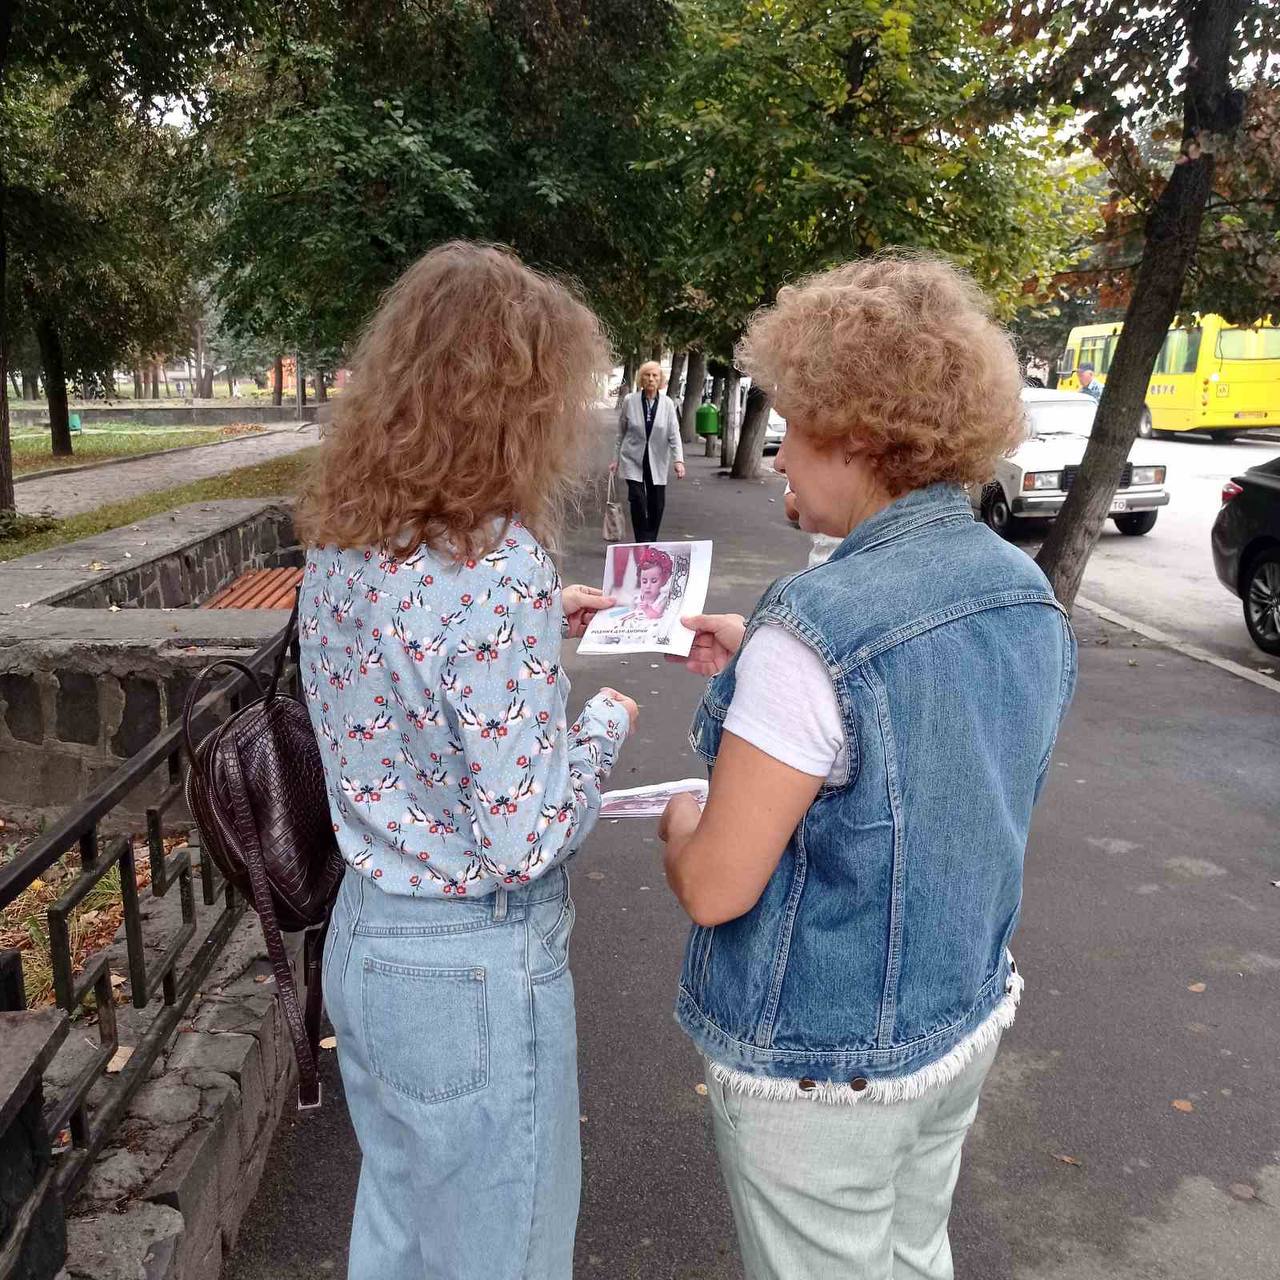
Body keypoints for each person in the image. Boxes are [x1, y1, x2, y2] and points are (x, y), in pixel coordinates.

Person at [658, 253, 1077, 1280]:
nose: (780, 452)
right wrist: (764, 650)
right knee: (907, 1252)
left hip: (820, 1059)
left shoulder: (814, 633)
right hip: (954, 1021)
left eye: (790, 421)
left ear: (850, 430)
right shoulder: (1017, 587)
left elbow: (715, 884)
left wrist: (678, 816)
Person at [295, 241, 638, 1280]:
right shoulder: (496, 571)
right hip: (471, 964)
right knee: (503, 1254)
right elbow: (523, 831)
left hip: (368, 939)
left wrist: (538, 638)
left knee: (398, 1230)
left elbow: (400, 699)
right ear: (518, 405)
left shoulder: (344, 542)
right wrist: (601, 725)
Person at [611, 360, 685, 541]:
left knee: (657, 504)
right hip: (633, 458)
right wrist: (615, 459)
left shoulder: (668, 404)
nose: (651, 379)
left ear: (660, 380)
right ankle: (641, 542)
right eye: (647, 375)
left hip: (657, 459)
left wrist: (678, 460)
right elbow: (621, 432)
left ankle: (651, 540)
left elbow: (674, 434)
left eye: (655, 376)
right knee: (637, 500)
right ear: (641, 378)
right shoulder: (630, 401)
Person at [621, 546, 674, 620]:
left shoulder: (661, 600)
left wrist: (647, 609)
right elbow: (629, 612)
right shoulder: (637, 599)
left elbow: (657, 616)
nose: (648, 586)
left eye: (654, 581)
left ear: (663, 581)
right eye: (644, 581)